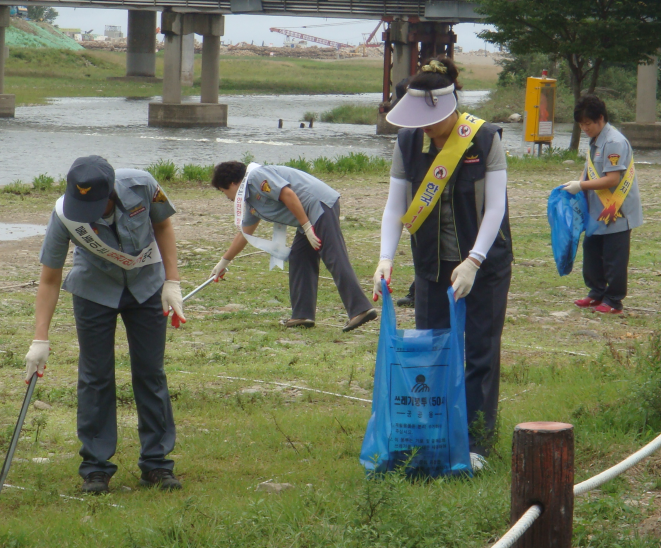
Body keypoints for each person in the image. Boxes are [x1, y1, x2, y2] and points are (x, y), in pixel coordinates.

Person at [373, 58, 512, 470]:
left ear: (450, 108)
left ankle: (476, 444)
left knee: (481, 352)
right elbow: (396, 204)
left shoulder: (484, 139)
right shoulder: (408, 142)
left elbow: (495, 208)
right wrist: (385, 257)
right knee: (431, 350)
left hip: (483, 265)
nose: (426, 130)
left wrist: (473, 260)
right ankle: (430, 436)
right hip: (431, 265)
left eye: (430, 122)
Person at [24, 155, 185, 494]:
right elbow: (50, 278)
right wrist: (40, 338)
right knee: (95, 376)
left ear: (111, 192)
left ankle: (156, 464)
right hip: (94, 290)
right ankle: (96, 468)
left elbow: (163, 227)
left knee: (150, 372)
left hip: (146, 287)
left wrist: (173, 282)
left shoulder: (144, 185)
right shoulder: (65, 214)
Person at [208, 161, 378, 332]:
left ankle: (360, 309)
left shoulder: (256, 177)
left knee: (333, 255)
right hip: (307, 218)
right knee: (300, 257)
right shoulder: (250, 199)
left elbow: (287, 194)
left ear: (231, 183)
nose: (228, 198)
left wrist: (306, 227)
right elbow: (245, 234)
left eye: (224, 192)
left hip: (318, 205)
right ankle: (302, 315)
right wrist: (224, 261)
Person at [561, 95, 643, 315]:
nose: (584, 128)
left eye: (587, 123)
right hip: (596, 209)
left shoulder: (613, 142)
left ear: (600, 119)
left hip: (616, 209)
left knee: (614, 256)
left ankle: (614, 300)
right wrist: (578, 185)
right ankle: (596, 293)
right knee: (592, 251)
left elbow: (613, 179)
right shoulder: (596, 139)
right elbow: (590, 169)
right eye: (581, 124)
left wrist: (581, 185)